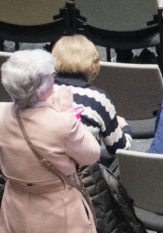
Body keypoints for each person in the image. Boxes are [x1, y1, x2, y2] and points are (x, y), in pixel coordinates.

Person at [0, 49, 104, 233]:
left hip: (16, 206)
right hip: (58, 210)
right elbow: (92, 155)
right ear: (43, 89)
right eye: (52, 75)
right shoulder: (63, 123)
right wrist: (67, 112)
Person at [51, 34, 130, 164]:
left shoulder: (40, 92)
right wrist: (125, 128)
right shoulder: (98, 99)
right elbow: (119, 149)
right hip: (82, 177)